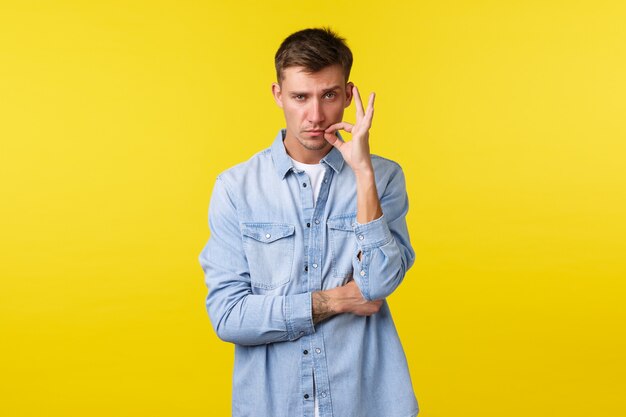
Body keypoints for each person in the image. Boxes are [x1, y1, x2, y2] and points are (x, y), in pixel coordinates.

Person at [199, 27, 419, 417]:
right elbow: (229, 317)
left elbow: (379, 283)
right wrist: (336, 300)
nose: (315, 115)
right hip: (272, 405)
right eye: (300, 97)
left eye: (329, 95)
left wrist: (363, 174)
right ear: (278, 95)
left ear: (348, 96)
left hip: (366, 403)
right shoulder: (236, 188)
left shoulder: (383, 178)